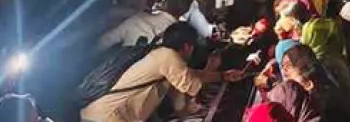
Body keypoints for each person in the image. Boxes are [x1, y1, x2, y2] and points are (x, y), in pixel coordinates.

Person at [81, 22, 245, 122]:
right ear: (188, 46)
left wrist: (223, 75)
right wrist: (212, 66)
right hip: (105, 117)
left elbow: (188, 84)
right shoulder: (168, 56)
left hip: (101, 115)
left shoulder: (163, 58)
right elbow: (193, 87)